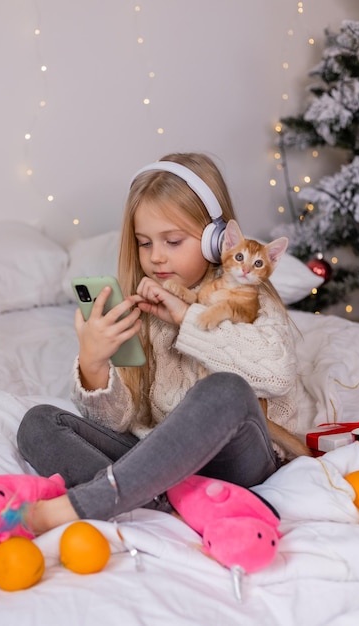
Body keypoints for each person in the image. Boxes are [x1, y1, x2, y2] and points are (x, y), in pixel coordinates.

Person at [17, 152, 298, 534]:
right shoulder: (142, 307)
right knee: (39, 422)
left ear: (217, 241)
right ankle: (167, 505)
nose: (156, 257)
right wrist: (94, 365)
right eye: (144, 243)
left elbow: (276, 375)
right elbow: (118, 421)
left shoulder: (252, 296)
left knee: (225, 390)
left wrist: (188, 318)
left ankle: (85, 505)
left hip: (238, 463)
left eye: (173, 240)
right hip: (160, 464)